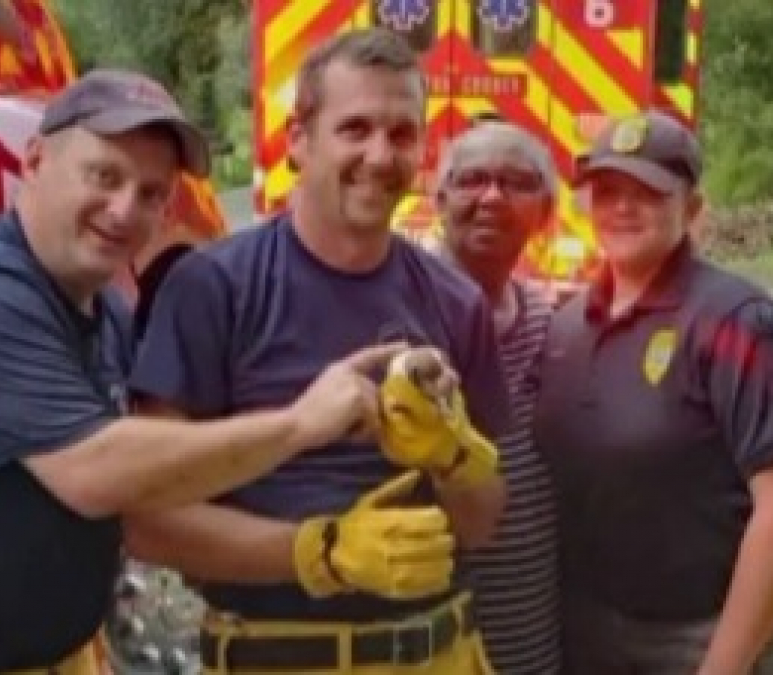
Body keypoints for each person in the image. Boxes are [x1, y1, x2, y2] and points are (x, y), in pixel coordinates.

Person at [0, 69, 399, 675]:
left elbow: (149, 486)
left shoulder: (105, 307)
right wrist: (300, 426)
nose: (124, 210)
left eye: (152, 193)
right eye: (104, 176)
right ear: (33, 161)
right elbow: (98, 473)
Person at [123, 28, 511, 675]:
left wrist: (454, 457)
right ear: (298, 141)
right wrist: (322, 552)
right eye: (354, 128)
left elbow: (482, 522)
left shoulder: (455, 299)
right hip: (277, 656)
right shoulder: (214, 288)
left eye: (402, 133)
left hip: (439, 653)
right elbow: (147, 516)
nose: (380, 154)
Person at [534, 109, 773, 675]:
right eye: (607, 190)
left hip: (703, 635)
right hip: (593, 630)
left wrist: (724, 665)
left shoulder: (738, 323)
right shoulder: (567, 325)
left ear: (692, 209)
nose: (621, 207)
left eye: (647, 192)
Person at [433, 121, 563, 675]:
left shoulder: (555, 324)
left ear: (547, 210)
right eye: (473, 180)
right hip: (428, 644)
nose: (492, 197)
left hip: (530, 639)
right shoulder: (400, 315)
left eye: (516, 182)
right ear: (439, 201)